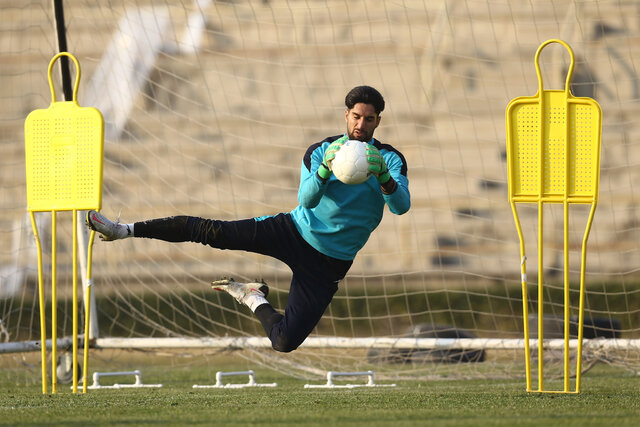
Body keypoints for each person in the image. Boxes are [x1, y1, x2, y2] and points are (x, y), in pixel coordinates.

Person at [87, 85, 410, 353]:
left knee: (284, 342)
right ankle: (123, 230)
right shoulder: (321, 150)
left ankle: (253, 297)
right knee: (213, 232)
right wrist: (325, 170)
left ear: (378, 121)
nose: (361, 124)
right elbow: (307, 199)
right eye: (356, 116)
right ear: (346, 115)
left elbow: (400, 206)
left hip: (330, 261)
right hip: (294, 230)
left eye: (368, 119)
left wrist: (382, 175)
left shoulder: (390, 158)